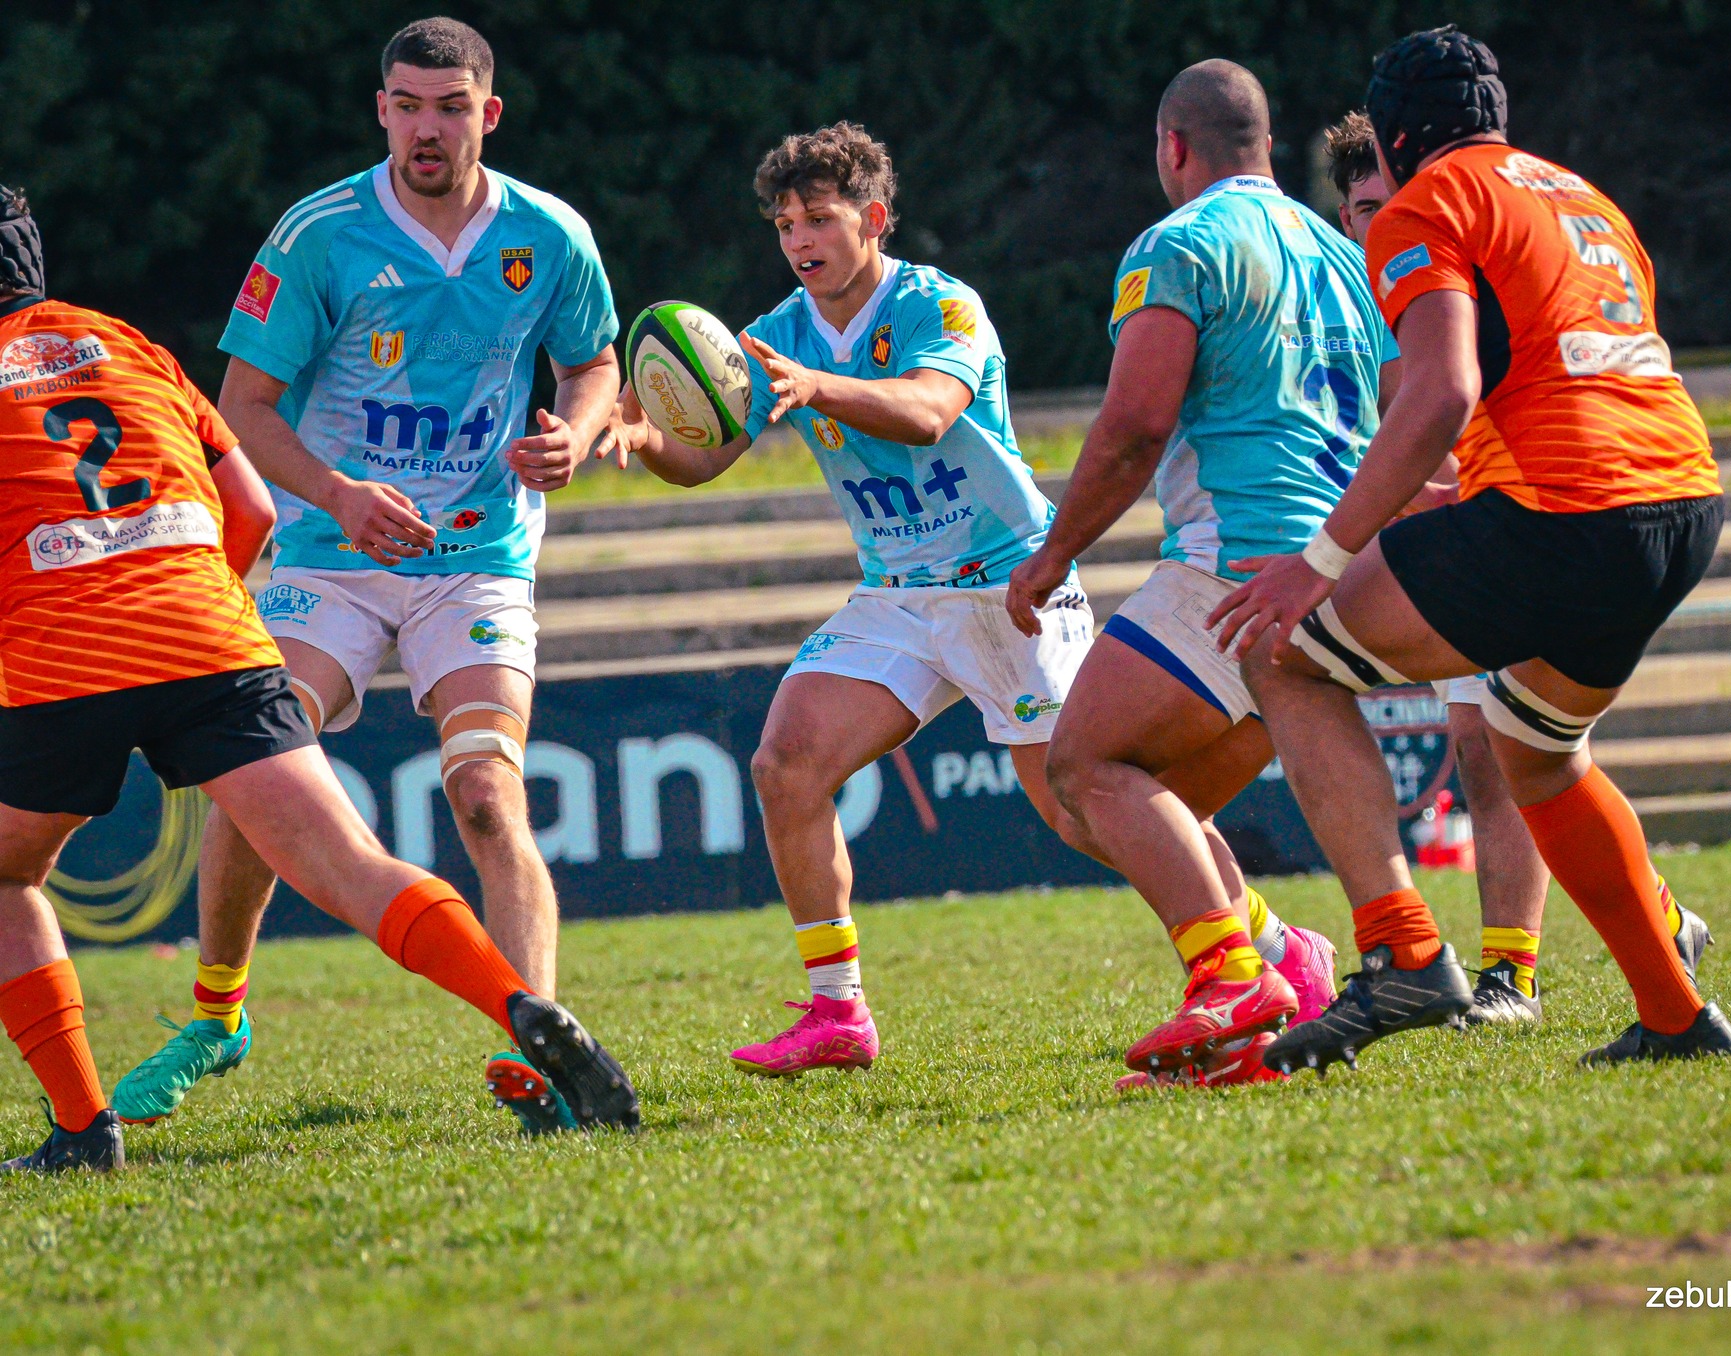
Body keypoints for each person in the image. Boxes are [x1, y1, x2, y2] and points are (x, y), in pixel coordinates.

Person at [609, 122, 1328, 1081]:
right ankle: (836, 1010)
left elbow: (928, 411)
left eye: (818, 218)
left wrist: (818, 386)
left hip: (1012, 586)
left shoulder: (941, 304)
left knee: (1086, 812)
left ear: (873, 218)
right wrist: (645, 440)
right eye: (784, 225)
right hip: (899, 597)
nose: (799, 239)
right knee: (787, 763)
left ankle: (1276, 952)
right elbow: (706, 462)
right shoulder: (776, 335)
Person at [0, 187, 636, 1173]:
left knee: (5, 878)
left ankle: (84, 1131)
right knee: (347, 862)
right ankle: (520, 1005)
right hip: (207, 626)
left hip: (68, 650)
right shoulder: (126, 344)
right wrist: (187, 612)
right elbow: (249, 509)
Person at [109, 18, 623, 1135]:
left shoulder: (549, 234)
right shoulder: (320, 235)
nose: (426, 128)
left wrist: (576, 434)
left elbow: (592, 362)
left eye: (450, 107)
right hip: (330, 556)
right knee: (258, 763)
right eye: (407, 105)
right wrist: (341, 495)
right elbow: (243, 409)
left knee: (485, 795)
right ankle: (217, 1015)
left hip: (476, 554)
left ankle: (537, 1048)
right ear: (381, 110)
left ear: (489, 114)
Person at [1210, 27, 1731, 1072]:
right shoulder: (1583, 198)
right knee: (1534, 751)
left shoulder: (1424, 202)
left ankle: (1404, 954)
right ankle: (1675, 1016)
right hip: (1680, 501)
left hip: (1563, 511)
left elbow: (1441, 390)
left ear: (1397, 138)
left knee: (1281, 653)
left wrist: (1318, 561)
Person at [1004, 61, 1394, 1087]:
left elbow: (1135, 426)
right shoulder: (1344, 251)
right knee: (1157, 811)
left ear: (1172, 147)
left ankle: (1232, 976)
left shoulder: (1178, 244)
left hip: (1238, 568)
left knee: (1082, 770)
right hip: (1338, 577)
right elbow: (1400, 410)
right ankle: (1266, 1001)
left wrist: (1055, 553)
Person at [1319, 111, 1713, 1026]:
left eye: (1384, 201)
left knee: (1492, 746)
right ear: (1344, 216)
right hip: (1477, 526)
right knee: (1522, 745)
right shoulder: (1364, 279)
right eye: (1361, 210)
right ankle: (1661, 928)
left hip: (1511, 522)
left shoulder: (1445, 244)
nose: (1378, 220)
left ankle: (1506, 973)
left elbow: (1453, 404)